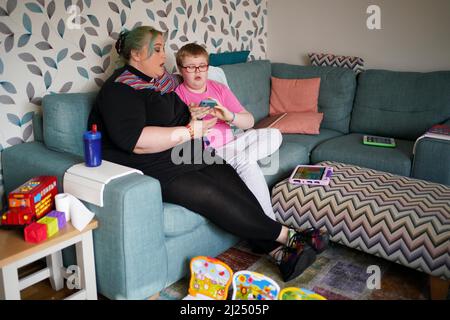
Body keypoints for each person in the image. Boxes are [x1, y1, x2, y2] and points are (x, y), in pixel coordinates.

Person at [87, 26, 318, 282]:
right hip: (149, 163)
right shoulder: (119, 89)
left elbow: (177, 113)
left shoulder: (157, 82)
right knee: (210, 193)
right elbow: (137, 141)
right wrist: (188, 131)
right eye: (158, 49)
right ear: (136, 54)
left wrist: (194, 116)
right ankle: (289, 237)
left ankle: (278, 254)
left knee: (229, 177)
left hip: (182, 152)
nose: (165, 55)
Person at [174, 43, 281, 221]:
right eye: (191, 67)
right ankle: (270, 221)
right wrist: (191, 118)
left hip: (234, 142)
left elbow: (249, 122)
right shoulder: (178, 95)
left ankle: (237, 165)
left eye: (202, 66)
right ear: (180, 69)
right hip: (212, 152)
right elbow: (181, 136)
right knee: (245, 161)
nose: (198, 72)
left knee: (274, 134)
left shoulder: (219, 89)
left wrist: (228, 115)